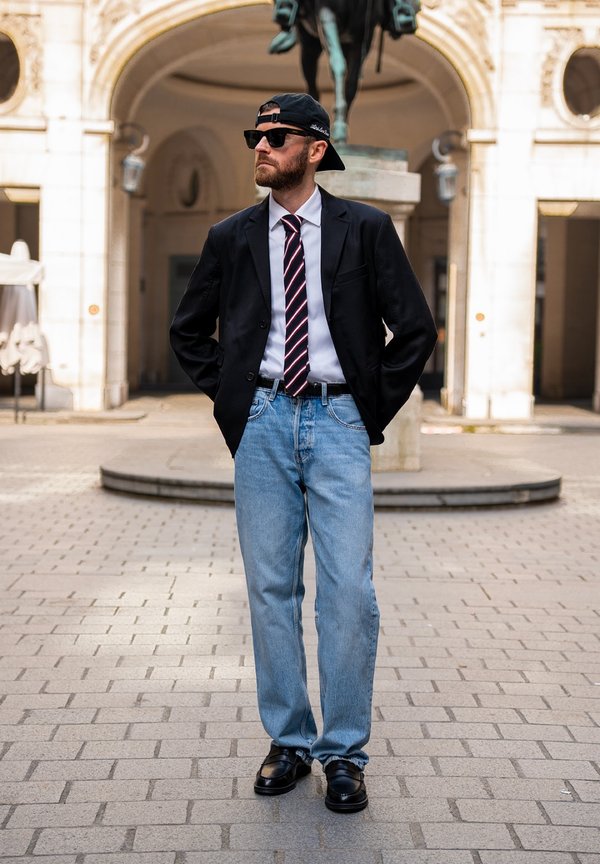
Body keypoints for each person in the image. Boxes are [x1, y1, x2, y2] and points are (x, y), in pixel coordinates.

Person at [170, 92, 436, 813]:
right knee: (271, 590)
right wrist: (235, 400)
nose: (261, 146)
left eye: (277, 137)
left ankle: (343, 752)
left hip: (338, 419)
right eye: (256, 137)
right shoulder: (231, 236)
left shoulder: (366, 228)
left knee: (349, 592)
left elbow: (414, 328)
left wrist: (367, 405)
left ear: (315, 150)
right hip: (262, 422)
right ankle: (288, 741)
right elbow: (188, 329)